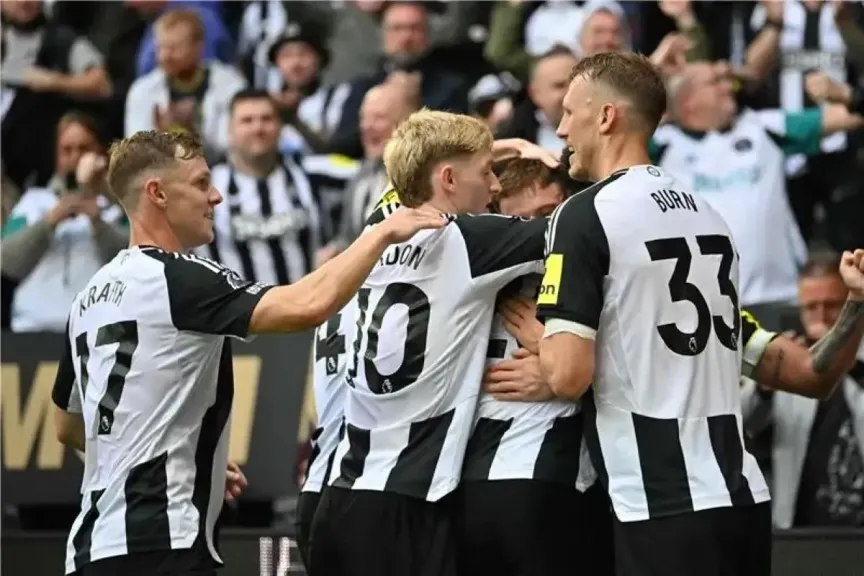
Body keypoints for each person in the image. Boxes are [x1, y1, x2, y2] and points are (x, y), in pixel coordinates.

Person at [50, 130, 444, 576]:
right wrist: (382, 232)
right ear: (157, 193)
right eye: (200, 183)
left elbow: (68, 425)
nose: (215, 197)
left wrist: (176, 454)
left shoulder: (89, 296)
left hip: (89, 549)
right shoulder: (180, 278)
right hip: (162, 545)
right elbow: (307, 305)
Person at [534, 51, 772, 576]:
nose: (560, 129)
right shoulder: (708, 211)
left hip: (661, 498)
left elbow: (568, 375)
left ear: (606, 117)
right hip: (742, 493)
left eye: (569, 112)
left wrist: (538, 343)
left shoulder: (583, 214)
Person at [307, 111, 555, 576]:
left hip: (339, 494)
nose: (495, 187)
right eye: (486, 173)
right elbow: (583, 231)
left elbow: (412, 167)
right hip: (406, 503)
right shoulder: (472, 239)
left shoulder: (379, 225)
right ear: (448, 179)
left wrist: (500, 148)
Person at [455, 157, 588, 576]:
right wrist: (568, 373)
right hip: (498, 481)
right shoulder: (586, 275)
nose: (536, 232)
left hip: (529, 482)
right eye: (521, 221)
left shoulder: (465, 275)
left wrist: (559, 372)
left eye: (547, 215)